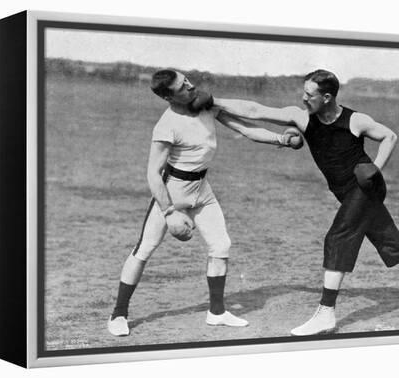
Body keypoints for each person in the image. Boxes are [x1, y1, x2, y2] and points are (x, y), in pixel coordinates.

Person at [211, 69, 399, 336]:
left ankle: (326, 313)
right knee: (387, 237)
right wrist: (214, 102)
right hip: (345, 191)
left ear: (327, 97)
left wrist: (375, 169)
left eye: (309, 94)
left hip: (366, 187)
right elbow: (253, 110)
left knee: (338, 237)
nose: (303, 98)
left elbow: (389, 136)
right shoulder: (303, 118)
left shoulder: (355, 120)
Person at [108, 69, 301, 336]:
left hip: (202, 190)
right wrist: (170, 212)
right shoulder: (166, 125)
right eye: (182, 87)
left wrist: (282, 140)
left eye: (187, 80)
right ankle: (118, 314)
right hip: (173, 191)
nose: (190, 86)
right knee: (144, 249)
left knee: (221, 246)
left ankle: (217, 312)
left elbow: (246, 128)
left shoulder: (206, 106)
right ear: (167, 96)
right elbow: (153, 174)